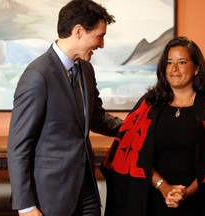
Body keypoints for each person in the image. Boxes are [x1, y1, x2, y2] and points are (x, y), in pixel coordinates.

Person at [101, 36, 205, 216]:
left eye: (182, 62)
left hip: (201, 201)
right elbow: (132, 154)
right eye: (169, 62)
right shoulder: (149, 104)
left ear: (197, 68)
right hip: (154, 200)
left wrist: (187, 192)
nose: (174, 68)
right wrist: (163, 187)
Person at [7, 0, 122, 215]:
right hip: (50, 195)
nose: (102, 44)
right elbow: (18, 146)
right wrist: (26, 206)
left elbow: (96, 117)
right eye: (99, 36)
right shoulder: (37, 75)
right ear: (79, 31)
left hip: (86, 188)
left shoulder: (86, 70)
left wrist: (135, 129)